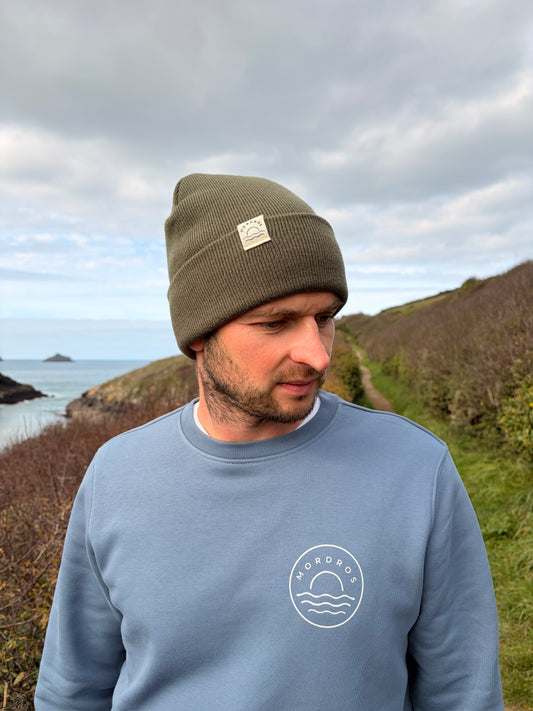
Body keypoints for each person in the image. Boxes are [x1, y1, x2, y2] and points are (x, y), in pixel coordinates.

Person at [35, 174, 504, 710]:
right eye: (276, 322)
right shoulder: (117, 476)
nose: (318, 354)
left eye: (324, 318)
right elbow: (72, 691)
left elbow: (463, 693)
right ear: (199, 334)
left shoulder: (416, 469)